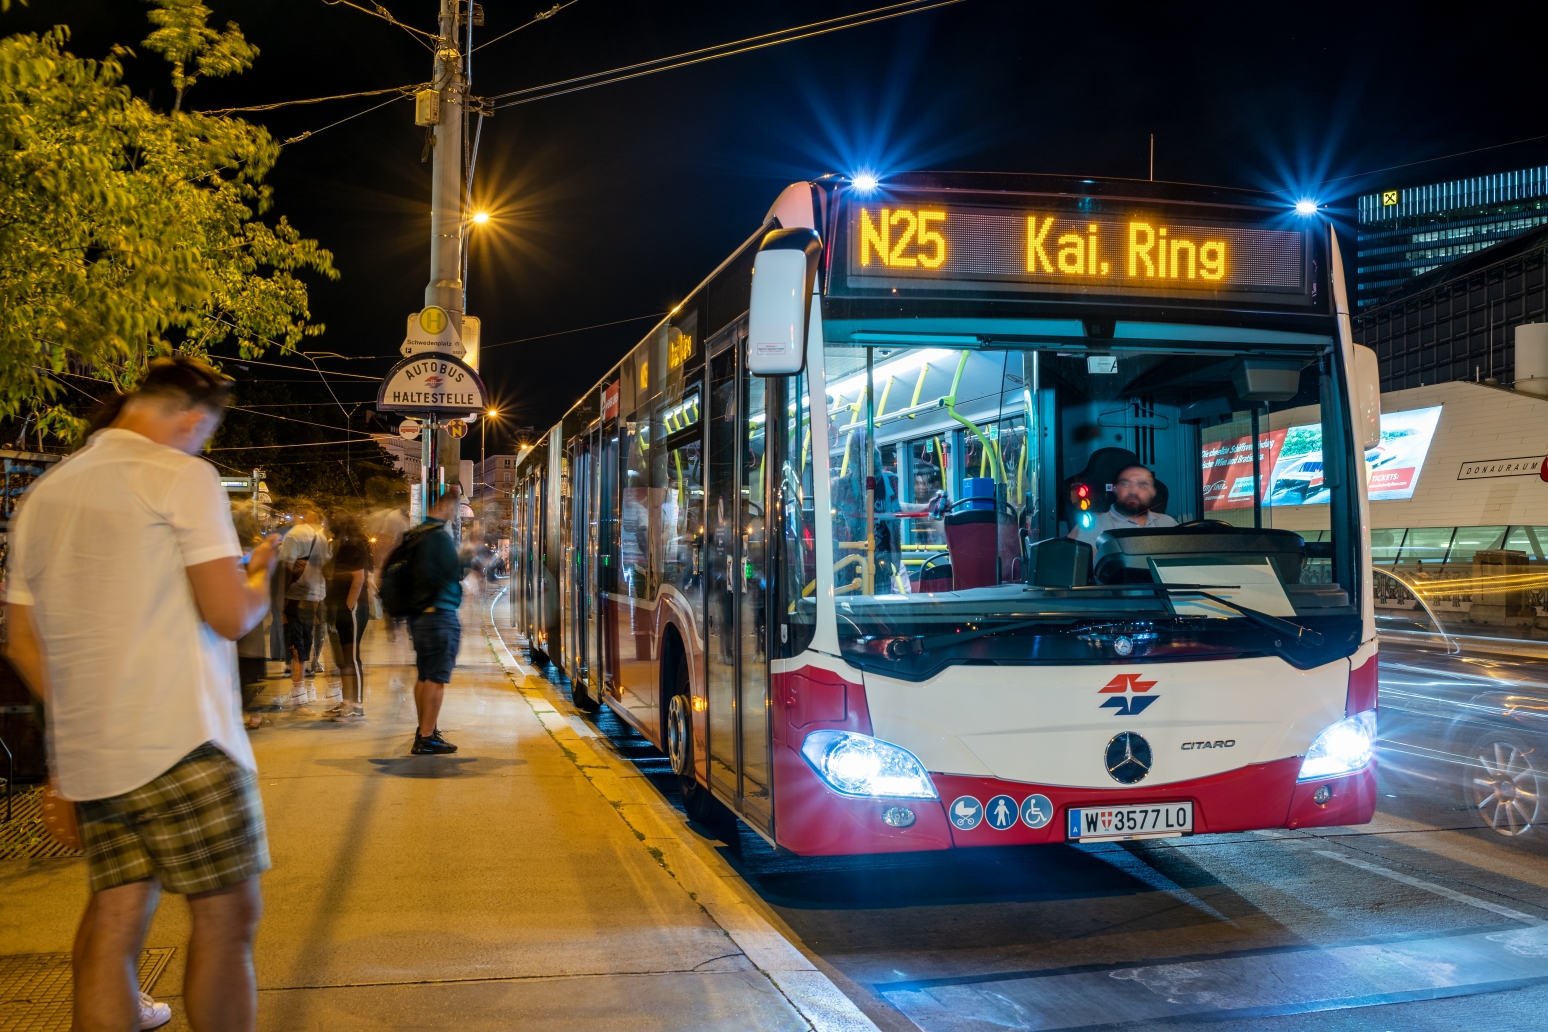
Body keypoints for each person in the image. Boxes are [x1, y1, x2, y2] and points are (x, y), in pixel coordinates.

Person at [5, 356, 278, 1032]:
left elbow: (20, 639)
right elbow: (228, 616)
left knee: (114, 924)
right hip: (186, 742)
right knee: (227, 920)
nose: (201, 445)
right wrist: (261, 578)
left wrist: (68, 750)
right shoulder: (182, 475)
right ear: (192, 419)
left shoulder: (48, 493)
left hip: (98, 757)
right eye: (204, 433)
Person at [406, 487, 468, 755]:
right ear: (443, 506)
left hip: (420, 616)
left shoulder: (416, 536)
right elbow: (453, 574)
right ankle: (427, 736)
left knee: (424, 675)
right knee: (436, 679)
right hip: (440, 617)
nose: (454, 514)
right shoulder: (440, 539)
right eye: (453, 508)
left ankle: (424, 729)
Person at [278, 505, 328, 713]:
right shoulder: (322, 538)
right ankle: (303, 692)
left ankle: (298, 697)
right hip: (315, 594)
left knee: (295, 643)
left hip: (294, 595)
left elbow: (285, 567)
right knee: (306, 640)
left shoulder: (295, 535)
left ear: (302, 516)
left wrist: (278, 599)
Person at [323, 510, 370, 723]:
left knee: (351, 657)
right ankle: (347, 701)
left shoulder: (353, 547)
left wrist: (349, 606)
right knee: (344, 659)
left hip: (353, 608)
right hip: (344, 608)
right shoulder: (343, 546)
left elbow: (358, 579)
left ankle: (357, 705)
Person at [1068, 463, 1178, 547]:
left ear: (1153, 492)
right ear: (1115, 489)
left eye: (1142, 485)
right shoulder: (1093, 525)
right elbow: (1073, 569)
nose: (1133, 491)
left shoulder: (1168, 523)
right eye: (1126, 484)